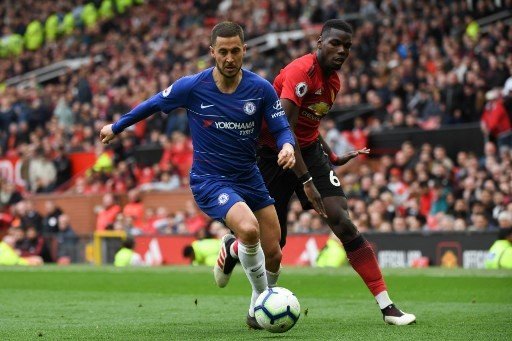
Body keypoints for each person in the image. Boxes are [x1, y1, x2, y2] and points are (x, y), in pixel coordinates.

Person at [217, 19, 415, 326]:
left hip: (305, 150)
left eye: (347, 46)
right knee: (274, 245)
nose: (342, 51)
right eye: (335, 43)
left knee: (343, 221)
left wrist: (332, 155)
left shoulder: (333, 82)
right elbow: (285, 129)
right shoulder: (300, 72)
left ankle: (387, 306)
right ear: (319, 43)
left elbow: (308, 126)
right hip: (273, 153)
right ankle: (233, 249)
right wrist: (306, 180)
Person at [99, 22, 296, 328]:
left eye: (235, 51)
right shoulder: (192, 87)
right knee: (249, 229)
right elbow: (153, 104)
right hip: (210, 179)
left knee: (274, 251)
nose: (229, 58)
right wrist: (117, 126)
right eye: (223, 52)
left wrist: (287, 146)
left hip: (249, 175)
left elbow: (282, 127)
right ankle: (261, 303)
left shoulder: (261, 89)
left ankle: (232, 252)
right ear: (212, 52)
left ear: (244, 50)